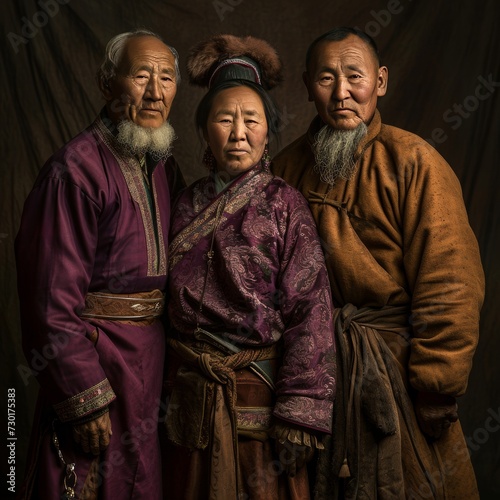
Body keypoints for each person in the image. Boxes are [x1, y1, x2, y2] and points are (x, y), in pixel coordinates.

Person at [271, 27, 485, 500]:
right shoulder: (283, 171)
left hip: (399, 378)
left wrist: (436, 384)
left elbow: (451, 282)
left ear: (381, 81)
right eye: (327, 78)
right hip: (310, 385)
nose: (342, 92)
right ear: (307, 85)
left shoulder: (415, 163)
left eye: (355, 76)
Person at [163, 34, 336, 499]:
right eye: (224, 119)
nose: (238, 132)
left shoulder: (285, 205)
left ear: (266, 131)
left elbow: (311, 309)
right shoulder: (182, 204)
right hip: (188, 399)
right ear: (204, 131)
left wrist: (301, 408)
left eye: (251, 120)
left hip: (257, 402)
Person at [15, 29, 184, 499]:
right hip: (99, 367)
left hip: (150, 369)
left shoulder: (163, 166)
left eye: (166, 78)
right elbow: (49, 303)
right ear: (108, 83)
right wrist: (82, 399)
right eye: (141, 76)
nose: (154, 91)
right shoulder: (75, 171)